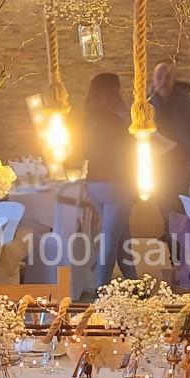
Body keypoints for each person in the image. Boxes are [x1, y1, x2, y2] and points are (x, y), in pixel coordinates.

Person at [79, 72, 134, 282]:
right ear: (111, 92)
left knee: (121, 238)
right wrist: (125, 111)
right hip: (117, 184)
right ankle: (101, 292)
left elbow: (84, 152)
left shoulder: (88, 120)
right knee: (111, 242)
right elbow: (132, 143)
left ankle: (135, 285)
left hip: (94, 184)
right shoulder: (118, 119)